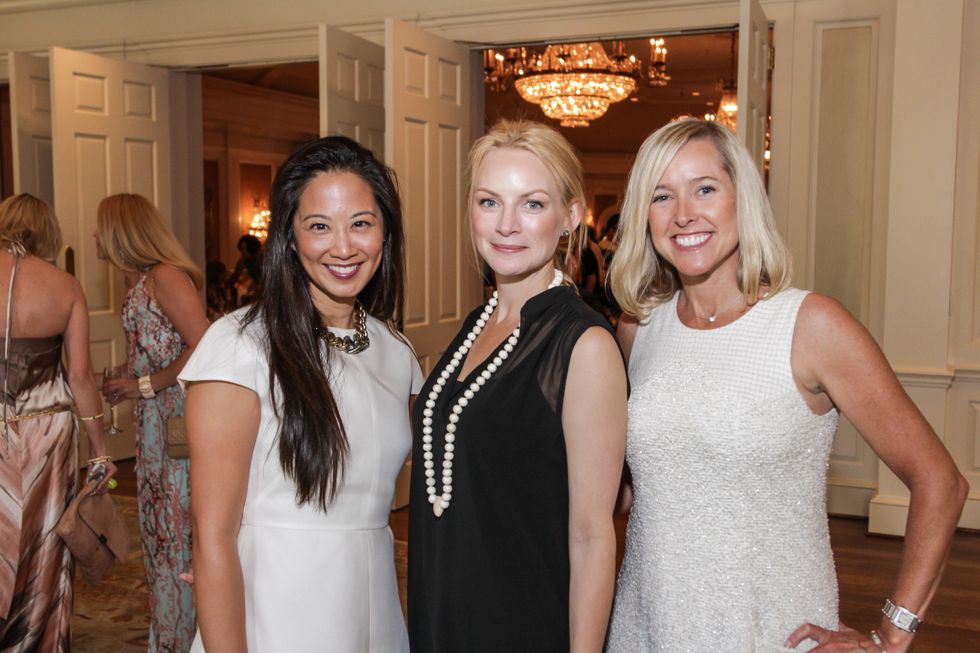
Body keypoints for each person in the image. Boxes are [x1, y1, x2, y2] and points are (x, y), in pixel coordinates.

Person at [605, 118, 969, 652]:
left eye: (705, 189)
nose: (684, 214)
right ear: (645, 217)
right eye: (662, 197)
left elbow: (941, 482)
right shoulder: (637, 329)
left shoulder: (812, 325)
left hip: (773, 626)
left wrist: (892, 634)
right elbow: (630, 487)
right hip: (647, 624)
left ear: (741, 197)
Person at [179, 136, 421, 652]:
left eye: (361, 223)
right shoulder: (241, 345)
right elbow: (213, 537)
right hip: (276, 608)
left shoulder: (395, 352)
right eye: (319, 226)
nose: (343, 247)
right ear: (288, 237)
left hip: (374, 603)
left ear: (385, 233)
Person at [408, 119, 628, 653]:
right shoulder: (476, 323)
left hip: (522, 618)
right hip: (442, 609)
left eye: (531, 204)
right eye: (489, 202)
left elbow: (593, 533)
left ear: (570, 214)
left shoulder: (584, 345)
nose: (506, 224)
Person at [0, 194, 116, 652]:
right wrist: (101, 448)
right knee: (44, 543)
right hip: (48, 433)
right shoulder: (64, 286)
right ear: (48, 232)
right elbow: (81, 375)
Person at [97, 193, 208, 653]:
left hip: (177, 424)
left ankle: (186, 639)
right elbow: (160, 349)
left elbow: (203, 343)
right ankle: (169, 634)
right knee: (160, 532)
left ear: (122, 232)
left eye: (100, 227)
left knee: (178, 531)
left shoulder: (165, 276)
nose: (93, 237)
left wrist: (145, 385)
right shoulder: (140, 282)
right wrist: (129, 372)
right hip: (152, 425)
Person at [226, 234, 263, 306]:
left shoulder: (262, 259)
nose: (242, 253)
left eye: (244, 249)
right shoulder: (243, 261)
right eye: (241, 250)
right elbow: (234, 277)